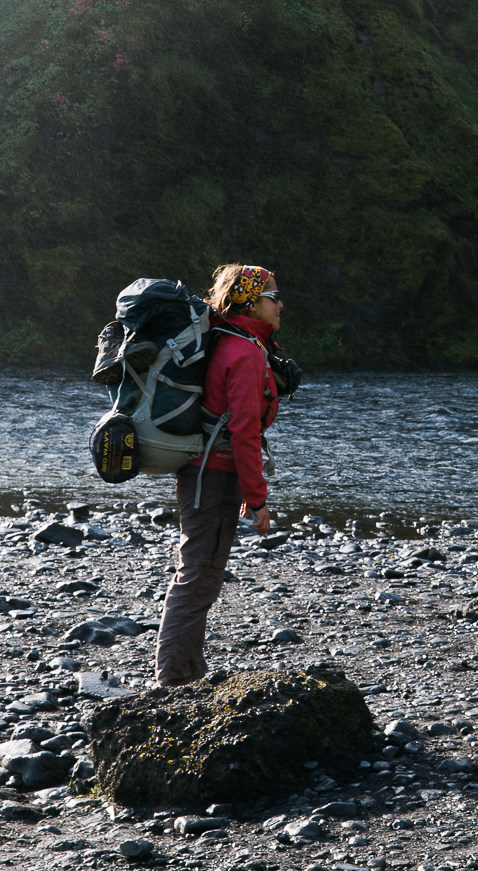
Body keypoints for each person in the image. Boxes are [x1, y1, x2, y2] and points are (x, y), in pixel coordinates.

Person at [154, 262, 283, 687]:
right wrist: (258, 498)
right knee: (197, 577)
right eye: (272, 296)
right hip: (212, 477)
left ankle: (190, 674)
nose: (280, 304)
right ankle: (171, 680)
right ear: (249, 301)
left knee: (201, 575)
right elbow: (245, 431)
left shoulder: (231, 340)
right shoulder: (243, 351)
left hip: (207, 473)